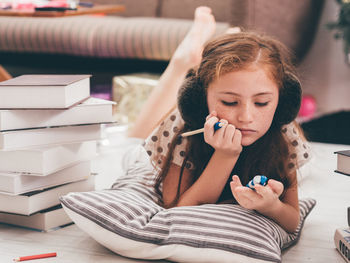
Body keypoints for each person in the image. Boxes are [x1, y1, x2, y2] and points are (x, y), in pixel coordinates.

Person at [127, 7, 311, 234]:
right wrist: (225, 155)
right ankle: (181, 63)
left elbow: (292, 221)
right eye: (230, 102)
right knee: (130, 142)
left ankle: (213, 46)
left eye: (262, 103)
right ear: (200, 100)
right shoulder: (182, 124)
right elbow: (177, 211)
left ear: (282, 102)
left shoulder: (284, 131)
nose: (246, 117)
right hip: (142, 157)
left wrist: (271, 206)